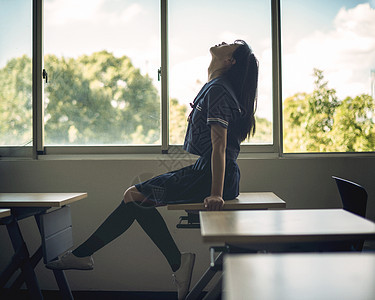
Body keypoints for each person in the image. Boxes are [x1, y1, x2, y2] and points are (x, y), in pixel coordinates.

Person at [46, 40, 259, 300]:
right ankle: (87, 255)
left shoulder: (219, 90)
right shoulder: (217, 87)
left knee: (134, 196)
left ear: (230, 61)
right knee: (134, 196)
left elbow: (220, 145)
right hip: (210, 171)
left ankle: (90, 256)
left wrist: (216, 193)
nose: (224, 42)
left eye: (231, 45)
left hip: (212, 176)